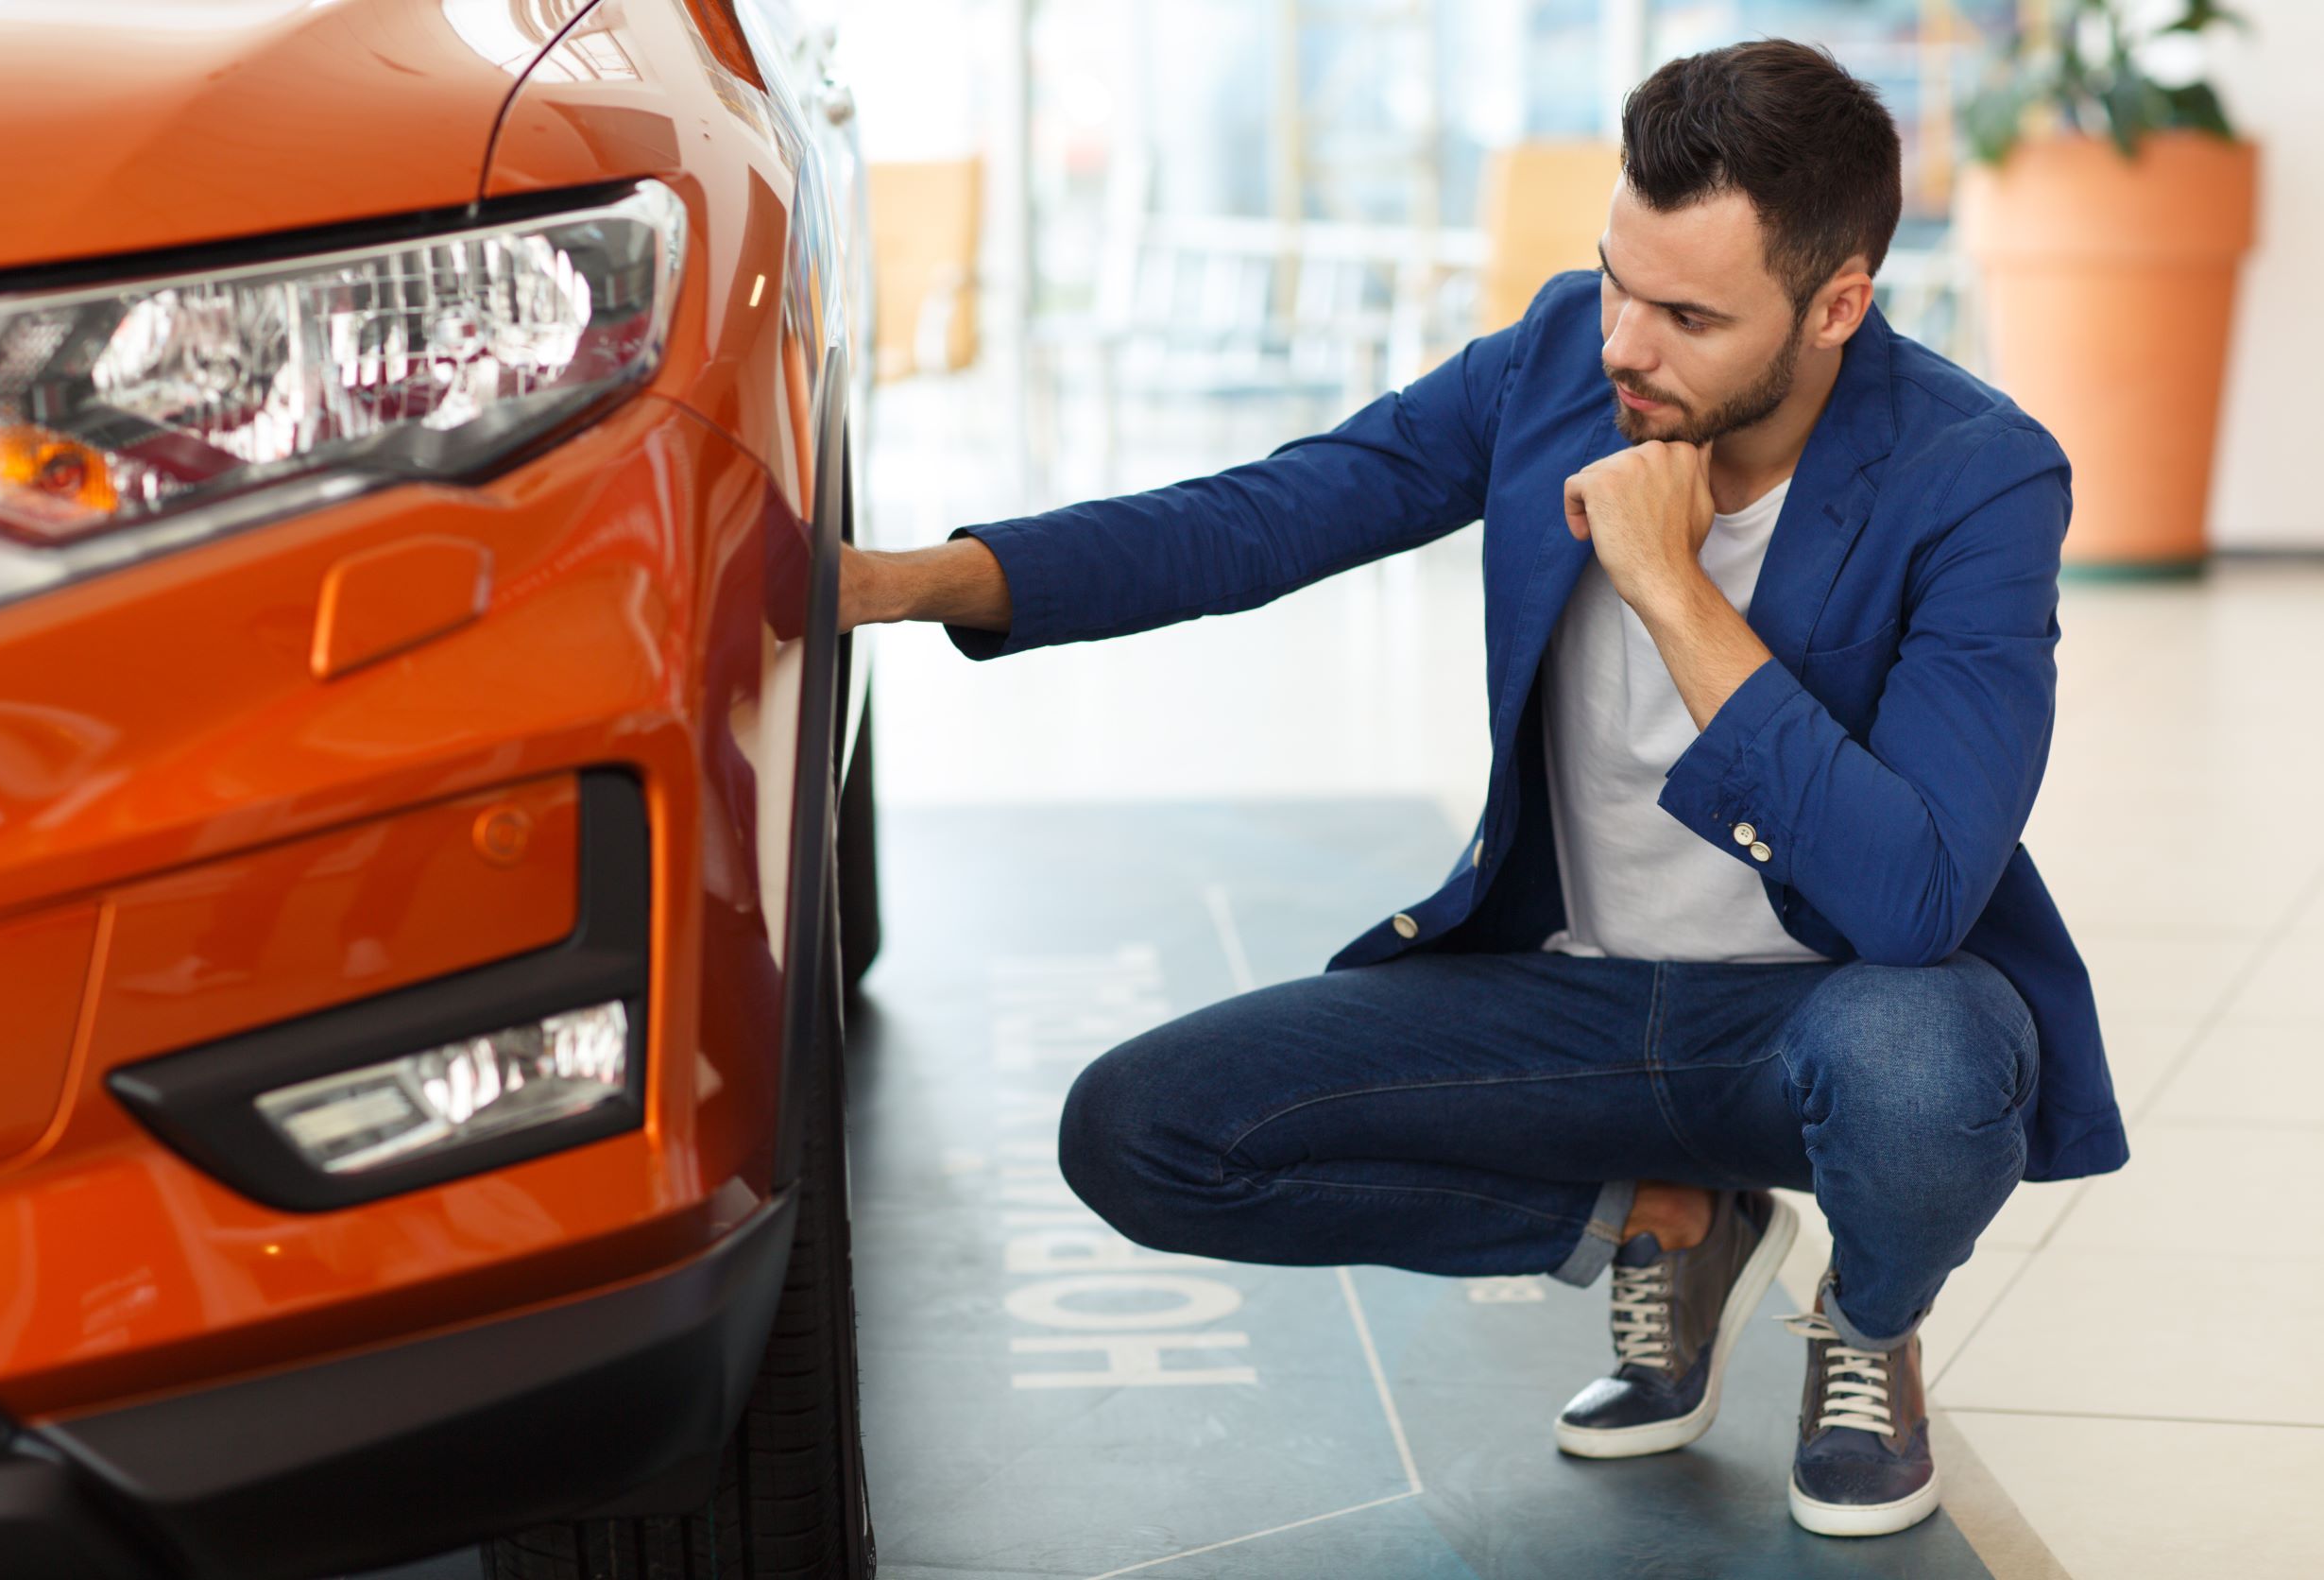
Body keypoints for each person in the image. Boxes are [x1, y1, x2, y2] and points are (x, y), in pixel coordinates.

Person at [836, 37, 2127, 1540]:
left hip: (1825, 1014)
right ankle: (1663, 1222)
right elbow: (1269, 512)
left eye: (1689, 315)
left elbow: (1913, 898)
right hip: (1570, 1000)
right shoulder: (1558, 360)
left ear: (1838, 305)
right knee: (1141, 1131)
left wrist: (1673, 587)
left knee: (1928, 1070)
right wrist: (908, 579)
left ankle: (1869, 1324)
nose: (1624, 347)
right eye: (1617, 280)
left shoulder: (1978, 476)